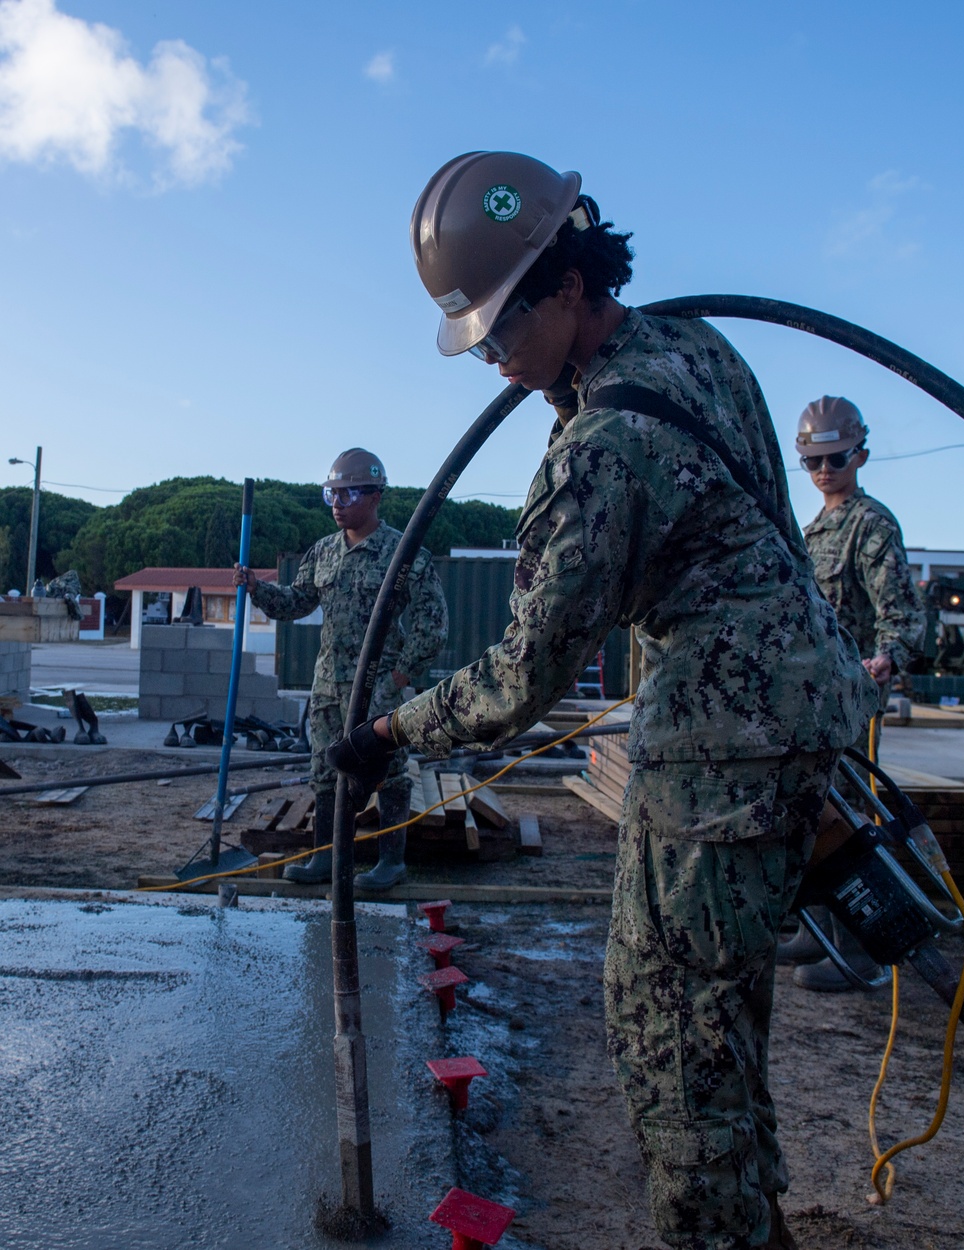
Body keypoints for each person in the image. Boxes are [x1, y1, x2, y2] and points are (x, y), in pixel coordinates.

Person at [330, 151, 878, 1250]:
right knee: (721, 1021)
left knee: (668, 1033)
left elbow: (525, 675)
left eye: (501, 331)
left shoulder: (600, 449)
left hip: (718, 750)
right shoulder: (697, 346)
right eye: (476, 339)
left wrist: (390, 728)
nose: (492, 363)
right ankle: (751, 1221)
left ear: (569, 284)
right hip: (798, 713)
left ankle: (713, 1231)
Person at [233, 448, 447, 888]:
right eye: (330, 495)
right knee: (324, 770)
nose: (336, 504)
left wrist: (400, 677)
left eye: (346, 494)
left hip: (377, 691)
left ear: (374, 496)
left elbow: (433, 623)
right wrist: (257, 588)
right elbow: (295, 603)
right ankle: (326, 860)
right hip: (329, 686)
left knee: (387, 770)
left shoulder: (403, 554)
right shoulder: (323, 553)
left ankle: (391, 862)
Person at [779, 397, 927, 991]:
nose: (822, 471)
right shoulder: (813, 531)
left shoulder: (872, 524)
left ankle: (862, 955)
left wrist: (887, 656)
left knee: (848, 822)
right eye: (812, 461)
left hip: (849, 701)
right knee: (808, 814)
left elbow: (901, 611)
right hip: (807, 703)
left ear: (860, 454)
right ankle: (815, 936)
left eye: (834, 458)